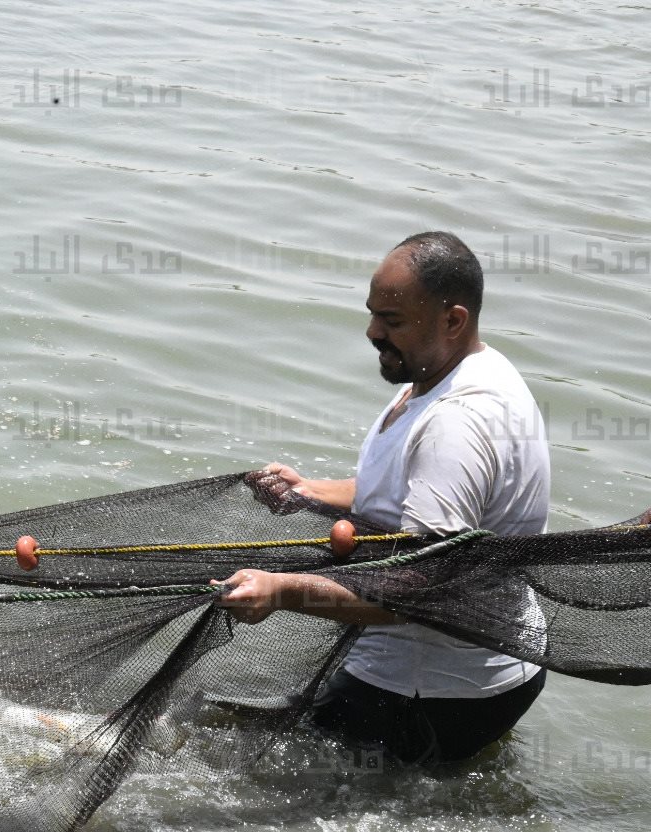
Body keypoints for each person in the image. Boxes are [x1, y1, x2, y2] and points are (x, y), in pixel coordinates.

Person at [215, 231, 551, 765]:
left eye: (392, 321)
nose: (373, 331)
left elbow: (419, 589)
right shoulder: (454, 369)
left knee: (224, 757)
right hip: (495, 667)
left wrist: (282, 590)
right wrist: (311, 492)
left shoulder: (458, 424)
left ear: (453, 320)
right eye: (374, 314)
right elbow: (409, 487)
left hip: (431, 692)